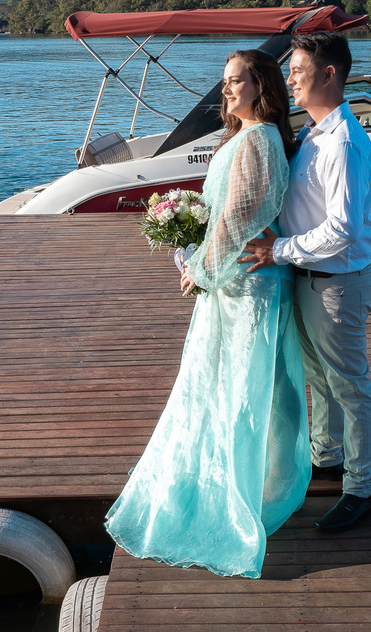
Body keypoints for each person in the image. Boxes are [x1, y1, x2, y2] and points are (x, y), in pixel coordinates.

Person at [105, 49, 310, 579]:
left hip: (248, 286)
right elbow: (225, 215)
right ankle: (241, 477)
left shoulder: (260, 139)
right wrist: (195, 251)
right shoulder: (246, 138)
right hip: (234, 282)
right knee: (221, 385)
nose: (226, 90)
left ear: (260, 85)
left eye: (235, 81)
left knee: (242, 389)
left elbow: (239, 217)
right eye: (224, 82)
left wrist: (199, 268)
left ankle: (244, 496)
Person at [240, 32, 371, 533]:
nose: (291, 79)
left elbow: (342, 229)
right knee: (319, 378)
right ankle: (327, 457)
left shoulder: (342, 143)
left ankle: (362, 489)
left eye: (298, 70)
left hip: (336, 281)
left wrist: (277, 250)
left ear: (329, 74)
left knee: (348, 387)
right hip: (307, 274)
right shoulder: (315, 133)